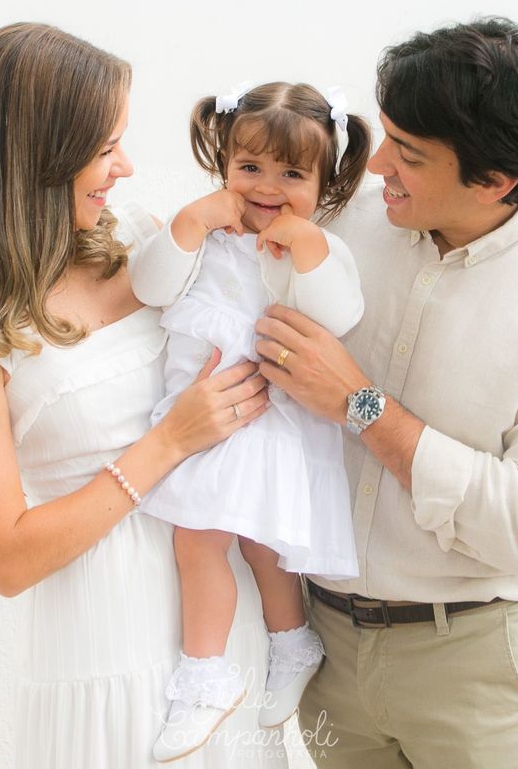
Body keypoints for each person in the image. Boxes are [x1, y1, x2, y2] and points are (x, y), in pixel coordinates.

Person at [0, 23, 285, 768]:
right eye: (105, 148)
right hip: (102, 648)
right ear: (37, 157)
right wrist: (168, 443)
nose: (125, 167)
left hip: (220, 634)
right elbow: (5, 560)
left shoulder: (139, 236)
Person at [253, 17, 518, 768]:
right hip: (325, 649)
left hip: (475, 666)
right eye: (388, 137)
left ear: (494, 182)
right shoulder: (334, 228)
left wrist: (360, 405)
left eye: (410, 154)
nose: (377, 166)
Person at [128, 82, 371, 761]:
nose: (266, 187)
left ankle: (276, 648)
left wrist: (306, 245)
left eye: (292, 175)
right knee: (199, 540)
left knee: (261, 546)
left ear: (324, 185)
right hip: (207, 422)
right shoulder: (207, 240)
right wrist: (190, 222)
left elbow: (338, 316)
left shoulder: (323, 250)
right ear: (224, 164)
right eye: (250, 167)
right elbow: (150, 286)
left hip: (272, 422)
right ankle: (216, 672)